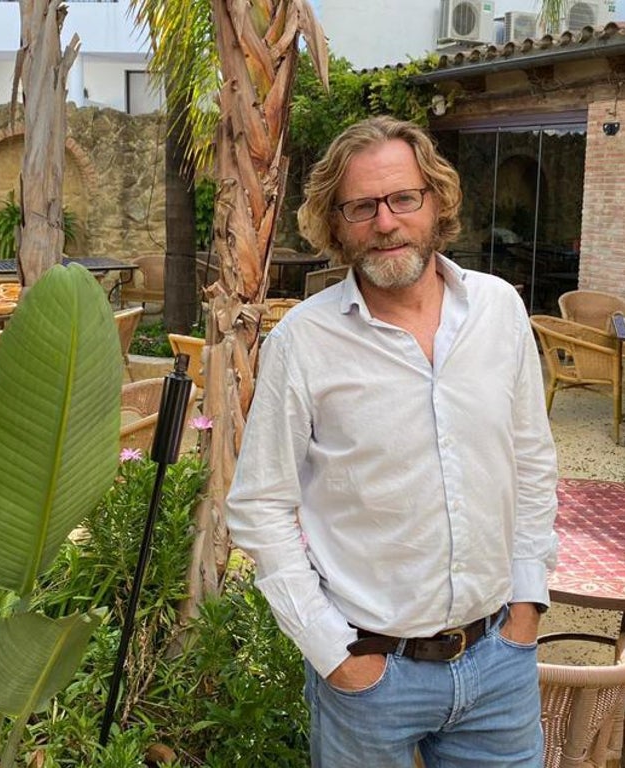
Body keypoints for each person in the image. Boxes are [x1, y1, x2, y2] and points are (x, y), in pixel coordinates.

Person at [226, 116, 559, 767]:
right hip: (371, 681)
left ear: (437, 203)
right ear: (335, 221)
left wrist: (526, 608)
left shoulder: (499, 311)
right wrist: (333, 652)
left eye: (404, 198)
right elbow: (259, 505)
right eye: (362, 207)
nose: (385, 222)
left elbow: (531, 462)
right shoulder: (304, 341)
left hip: (499, 664)